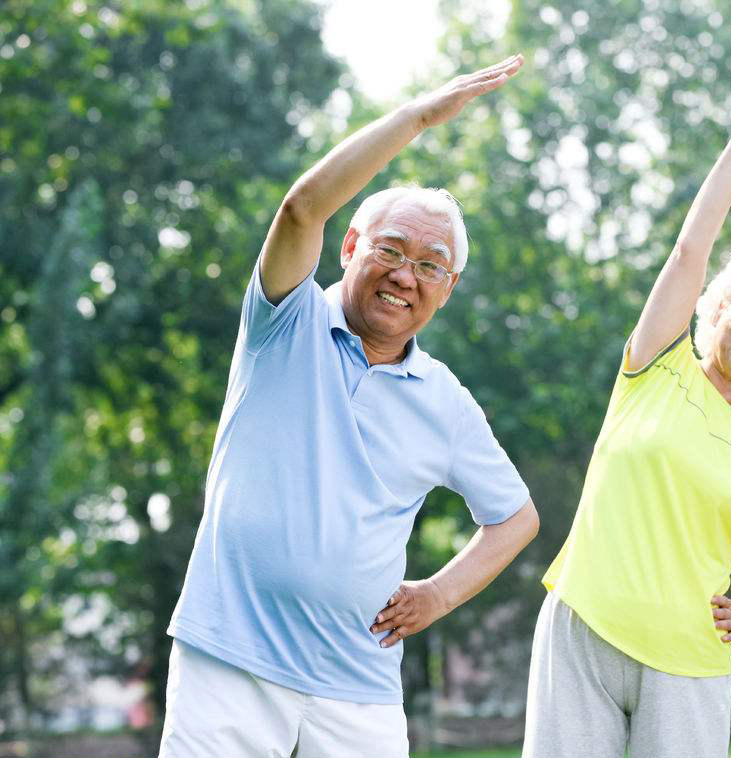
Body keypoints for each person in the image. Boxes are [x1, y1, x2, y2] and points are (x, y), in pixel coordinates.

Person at [159, 54, 539, 758]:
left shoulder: (444, 400)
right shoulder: (284, 322)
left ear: (447, 288)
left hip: (357, 683)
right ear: (350, 247)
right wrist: (418, 117)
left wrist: (439, 596)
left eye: (429, 265)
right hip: (229, 660)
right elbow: (301, 205)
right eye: (390, 249)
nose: (404, 274)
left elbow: (515, 519)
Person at [522, 63, 731, 758]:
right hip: (580, 629)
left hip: (686, 667)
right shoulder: (656, 364)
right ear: (719, 306)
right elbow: (690, 248)